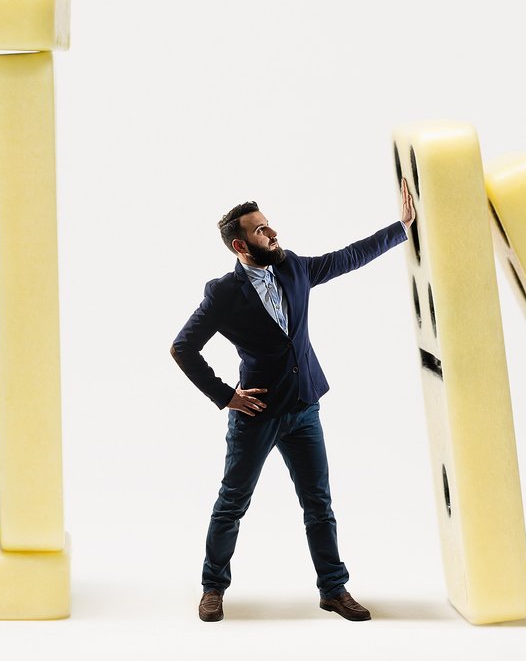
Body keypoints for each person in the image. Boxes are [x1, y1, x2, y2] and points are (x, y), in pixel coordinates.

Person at [170, 183, 415, 622]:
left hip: (304, 408)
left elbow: (348, 257)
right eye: (262, 230)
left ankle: (334, 589)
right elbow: (183, 348)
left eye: (270, 224)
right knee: (232, 502)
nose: (273, 233)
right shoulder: (222, 293)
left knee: (318, 502)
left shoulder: (295, 269)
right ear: (241, 245)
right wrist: (227, 396)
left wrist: (402, 227)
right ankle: (213, 588)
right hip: (257, 414)